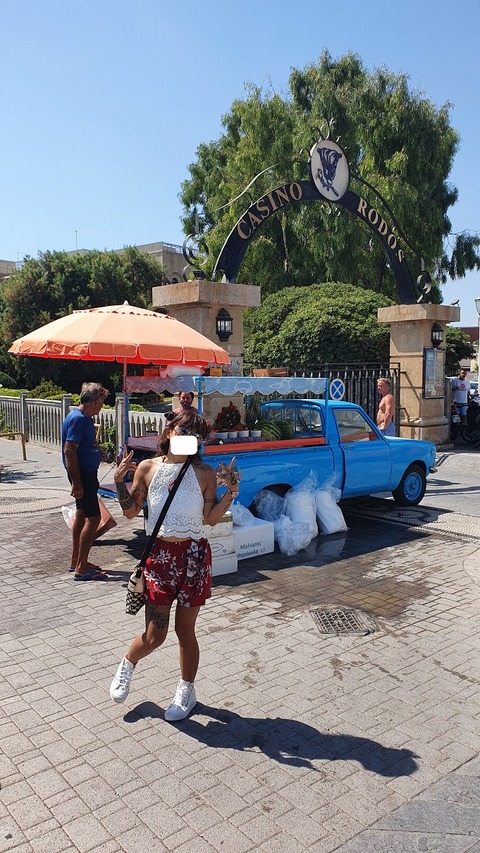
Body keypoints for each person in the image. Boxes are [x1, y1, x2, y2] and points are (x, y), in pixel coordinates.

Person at [109, 410, 239, 721]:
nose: (190, 438)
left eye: (196, 435)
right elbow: (130, 512)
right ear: (169, 432)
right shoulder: (147, 468)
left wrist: (231, 493)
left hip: (194, 558)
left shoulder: (204, 473)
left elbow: (210, 519)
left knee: (185, 631)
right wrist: (119, 482)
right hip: (160, 559)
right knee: (155, 635)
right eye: (184, 431)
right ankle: (127, 663)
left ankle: (186, 691)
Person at [62, 382, 108, 580]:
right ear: (95, 401)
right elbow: (69, 450)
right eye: (102, 401)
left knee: (81, 514)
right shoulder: (79, 419)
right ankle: (81, 568)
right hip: (83, 475)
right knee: (93, 518)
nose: (102, 405)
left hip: (85, 473)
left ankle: (76, 561)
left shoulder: (83, 417)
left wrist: (97, 451)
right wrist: (77, 483)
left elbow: (82, 446)